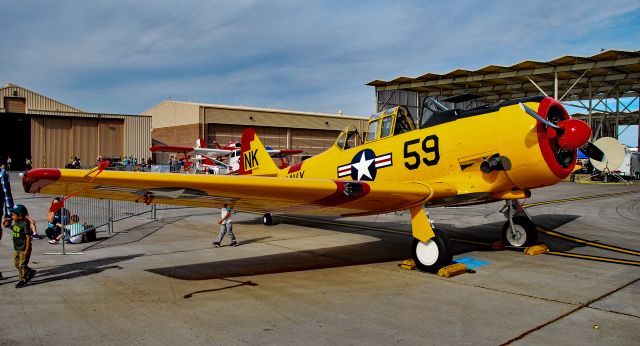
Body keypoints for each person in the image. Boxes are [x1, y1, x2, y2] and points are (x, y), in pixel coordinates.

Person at [11, 204, 37, 288]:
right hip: (16, 248)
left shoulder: (25, 224)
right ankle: (30, 272)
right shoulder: (16, 222)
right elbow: (15, 228)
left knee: (22, 265)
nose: (12, 217)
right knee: (16, 264)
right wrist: (8, 225)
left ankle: (23, 280)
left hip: (23, 248)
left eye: (13, 215)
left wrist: (27, 250)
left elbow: (28, 237)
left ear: (20, 216)